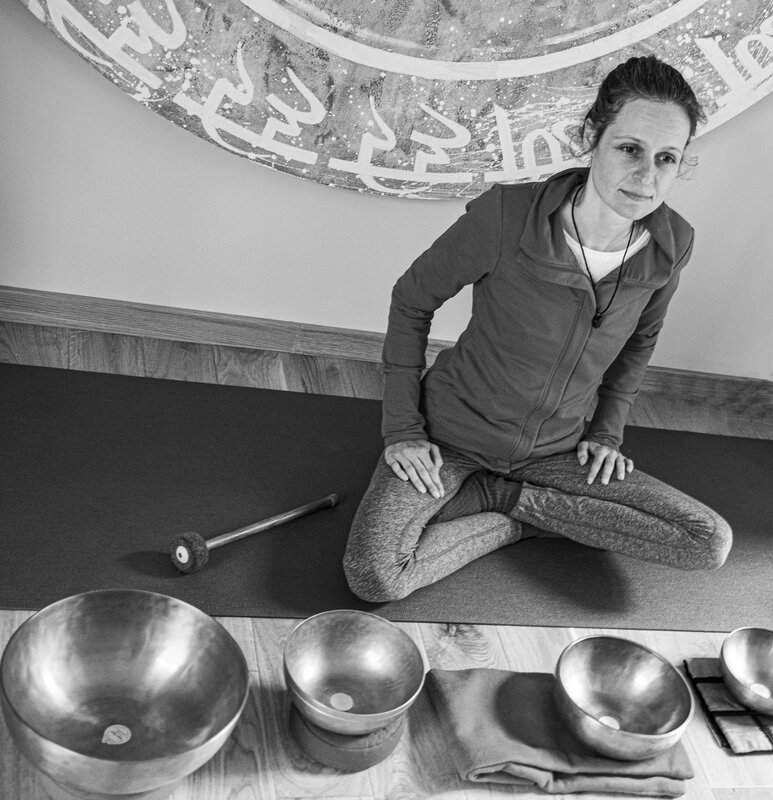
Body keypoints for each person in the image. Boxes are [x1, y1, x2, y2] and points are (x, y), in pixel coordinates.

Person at [343, 55, 733, 603]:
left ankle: (506, 502)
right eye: (630, 149)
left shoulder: (673, 243)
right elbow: (411, 301)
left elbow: (640, 342)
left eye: (666, 158)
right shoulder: (506, 216)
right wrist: (403, 430)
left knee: (706, 541)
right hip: (450, 438)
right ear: (593, 138)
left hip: (556, 454)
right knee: (375, 575)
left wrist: (605, 434)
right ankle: (530, 512)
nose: (647, 177)